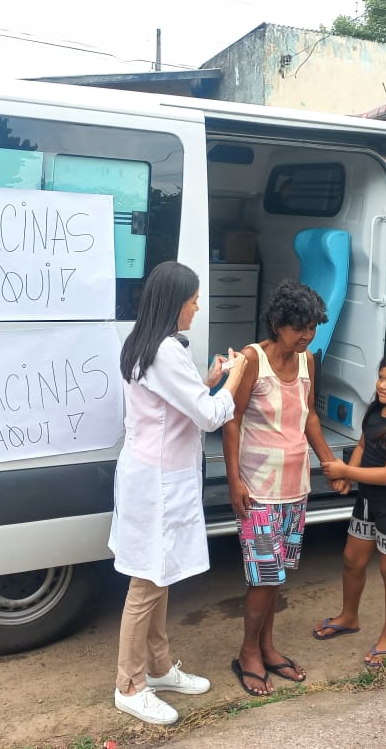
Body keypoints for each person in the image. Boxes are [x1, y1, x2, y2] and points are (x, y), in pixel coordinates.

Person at [108, 261, 248, 726]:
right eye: (193, 300)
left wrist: (207, 382)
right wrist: (235, 378)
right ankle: (130, 684)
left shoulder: (146, 343)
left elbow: (180, 400)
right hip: (158, 482)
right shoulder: (164, 350)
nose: (198, 306)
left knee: (161, 573)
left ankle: (160, 666)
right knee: (146, 580)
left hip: (154, 475)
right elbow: (209, 417)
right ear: (175, 303)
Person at [223, 279, 337, 697]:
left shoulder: (308, 361)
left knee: (277, 576)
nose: (307, 336)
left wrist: (327, 460)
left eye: (312, 328)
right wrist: (234, 480)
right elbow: (230, 419)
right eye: (299, 328)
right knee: (262, 577)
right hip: (258, 489)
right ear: (277, 323)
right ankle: (248, 653)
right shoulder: (252, 359)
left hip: (295, 486)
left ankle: (268, 647)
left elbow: (309, 417)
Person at [314, 351, 386, 668]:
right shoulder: (377, 409)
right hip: (367, 500)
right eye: (381, 377)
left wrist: (344, 472)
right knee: (352, 560)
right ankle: (349, 616)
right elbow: (365, 444)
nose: (382, 385)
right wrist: (347, 479)